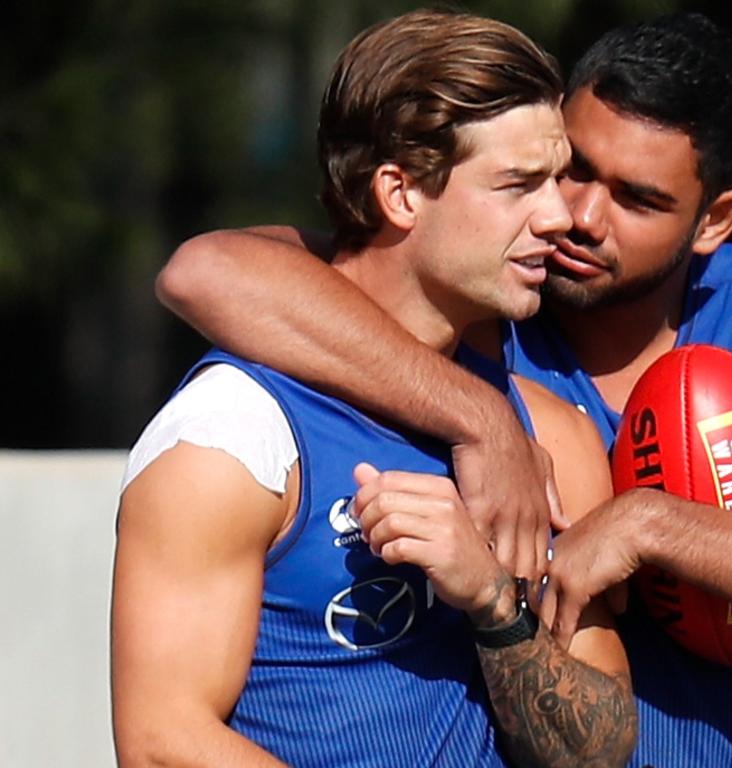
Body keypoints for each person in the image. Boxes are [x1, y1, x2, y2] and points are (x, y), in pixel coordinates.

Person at [157, 11, 732, 767]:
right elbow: (209, 271)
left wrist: (650, 525)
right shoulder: (483, 299)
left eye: (638, 199)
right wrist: (481, 418)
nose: (574, 215)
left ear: (715, 221)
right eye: (567, 169)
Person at [112, 10, 638, 768]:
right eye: (519, 185)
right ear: (399, 194)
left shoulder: (548, 441)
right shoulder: (235, 430)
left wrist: (495, 603)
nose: (561, 216)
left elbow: (600, 753)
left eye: (557, 180)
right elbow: (164, 745)